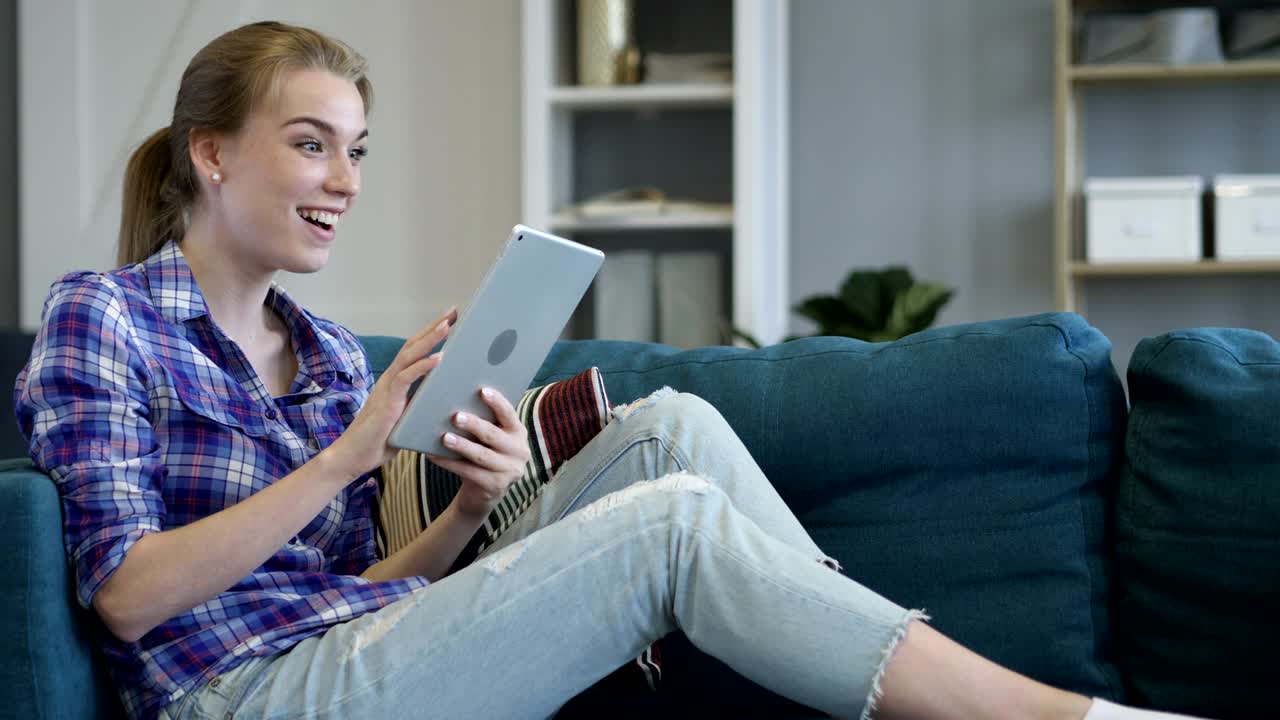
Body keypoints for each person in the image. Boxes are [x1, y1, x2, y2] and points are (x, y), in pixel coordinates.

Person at [14, 20, 1208, 720]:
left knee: (670, 430)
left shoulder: (322, 351)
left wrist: (468, 511)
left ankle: (851, 659)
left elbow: (371, 583)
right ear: (211, 154)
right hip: (240, 696)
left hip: (359, 644)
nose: (345, 180)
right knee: (669, 526)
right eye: (310, 144)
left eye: (357, 151)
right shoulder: (104, 320)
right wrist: (348, 456)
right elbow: (125, 594)